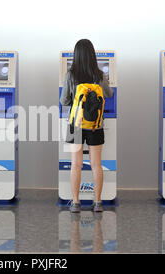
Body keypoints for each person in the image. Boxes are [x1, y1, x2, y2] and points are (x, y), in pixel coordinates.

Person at [60, 39, 113, 213]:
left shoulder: (71, 74)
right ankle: (97, 202)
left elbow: (64, 101)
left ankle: (75, 202)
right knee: (96, 164)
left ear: (76, 55)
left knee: (76, 164)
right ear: (92, 55)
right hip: (95, 125)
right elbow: (109, 94)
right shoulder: (99, 74)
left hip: (76, 125)